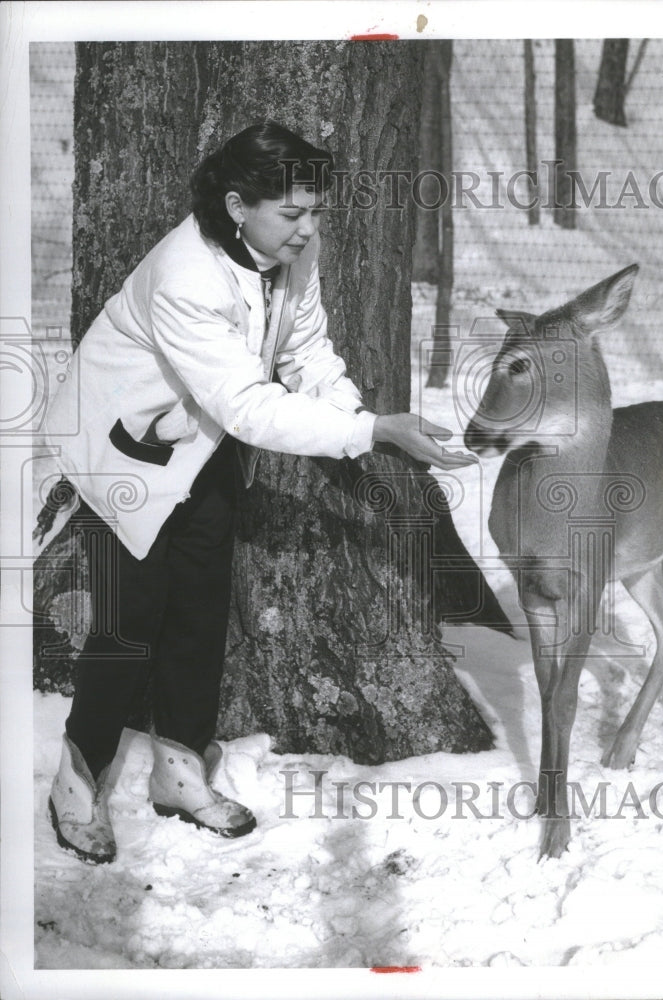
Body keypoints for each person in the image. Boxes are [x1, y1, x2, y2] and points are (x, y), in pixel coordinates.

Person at [41, 121, 476, 865]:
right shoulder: (187, 272)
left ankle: (180, 773)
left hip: (198, 445)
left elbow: (305, 351)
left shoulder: (287, 253)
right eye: (293, 214)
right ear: (239, 205)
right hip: (122, 453)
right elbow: (249, 405)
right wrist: (372, 432)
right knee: (128, 624)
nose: (309, 231)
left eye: (315, 213)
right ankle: (77, 779)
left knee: (200, 612)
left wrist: (356, 416)